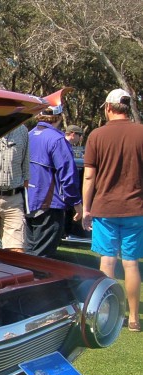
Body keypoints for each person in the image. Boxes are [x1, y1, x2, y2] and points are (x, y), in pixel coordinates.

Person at [82, 88, 143, 332]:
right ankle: (133, 318)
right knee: (131, 264)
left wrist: (86, 208)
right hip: (135, 209)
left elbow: (89, 176)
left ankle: (107, 312)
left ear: (108, 108)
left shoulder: (96, 136)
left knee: (107, 261)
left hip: (105, 208)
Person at [25, 106, 82, 258]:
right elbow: (68, 175)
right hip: (49, 204)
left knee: (28, 254)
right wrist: (77, 204)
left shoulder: (29, 135)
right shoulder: (57, 140)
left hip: (28, 201)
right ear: (59, 117)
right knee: (42, 258)